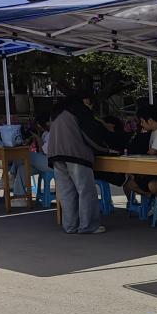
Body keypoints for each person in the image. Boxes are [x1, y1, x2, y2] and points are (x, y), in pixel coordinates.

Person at [46, 93, 120, 234]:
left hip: (55, 155)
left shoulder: (58, 112)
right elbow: (90, 135)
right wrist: (106, 149)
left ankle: (70, 226)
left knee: (67, 193)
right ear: (85, 100)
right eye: (91, 104)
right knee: (85, 191)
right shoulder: (80, 110)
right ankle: (88, 225)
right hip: (76, 155)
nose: (91, 107)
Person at [125, 103, 157, 201]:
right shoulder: (154, 132)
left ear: (150, 120)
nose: (141, 124)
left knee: (152, 185)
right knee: (129, 184)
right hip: (154, 171)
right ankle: (151, 197)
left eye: (142, 121)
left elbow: (151, 153)